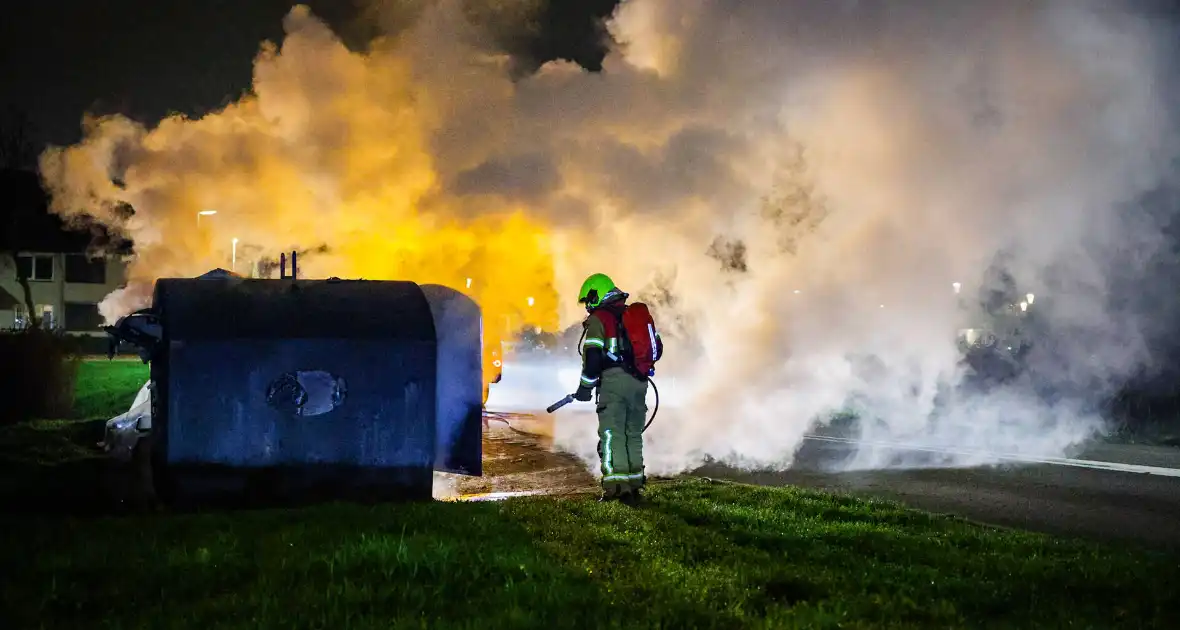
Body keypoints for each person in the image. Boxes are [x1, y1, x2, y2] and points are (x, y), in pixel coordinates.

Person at [574, 272, 654, 504]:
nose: (587, 306)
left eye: (588, 300)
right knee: (633, 434)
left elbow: (592, 357)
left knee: (612, 434)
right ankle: (635, 485)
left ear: (596, 294)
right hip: (640, 382)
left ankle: (616, 488)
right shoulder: (631, 315)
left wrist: (585, 388)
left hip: (614, 384)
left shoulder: (600, 319)